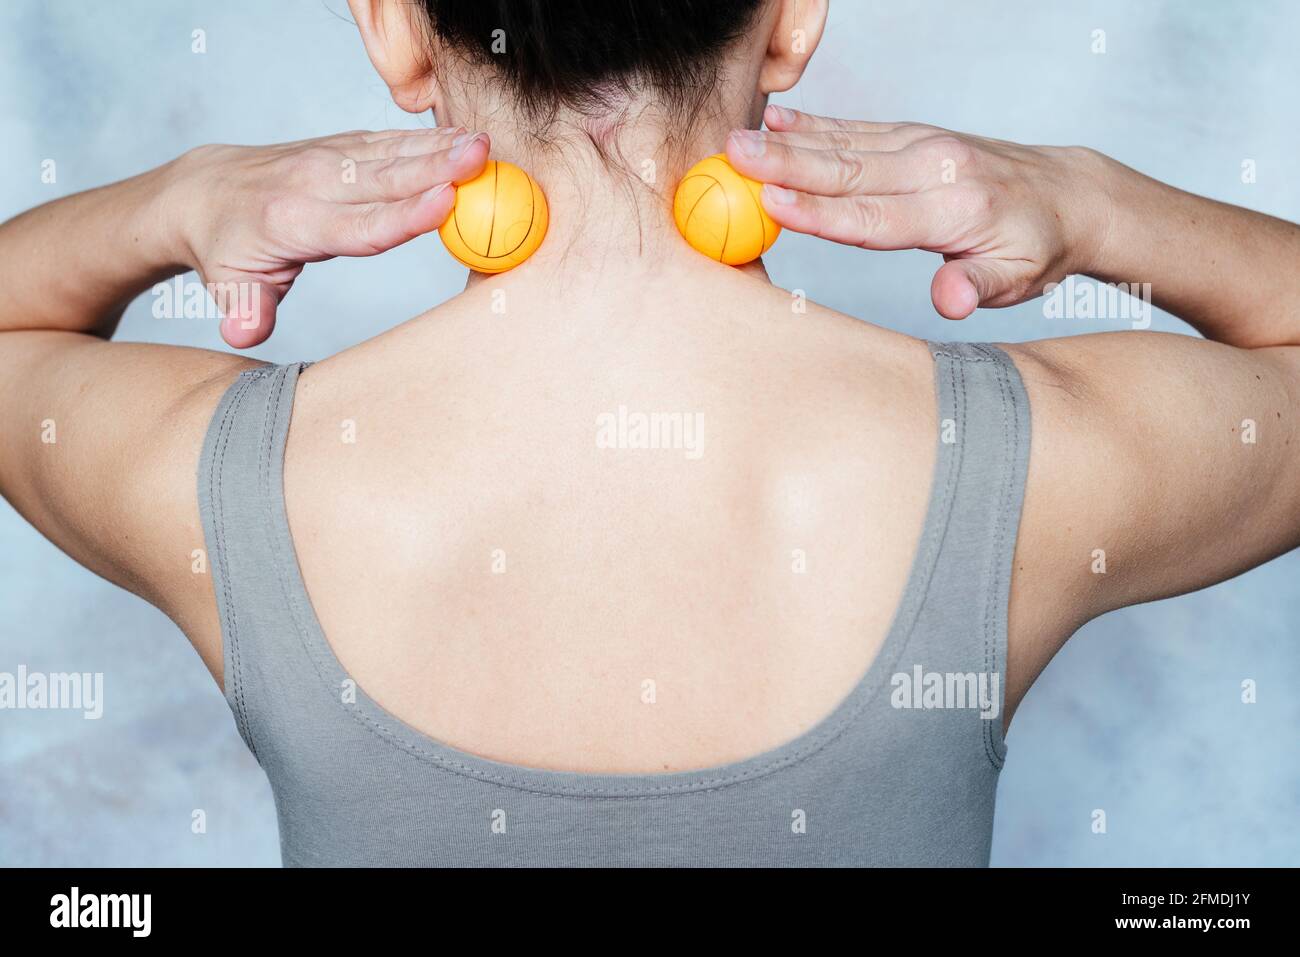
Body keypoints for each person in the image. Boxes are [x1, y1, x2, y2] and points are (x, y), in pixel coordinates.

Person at [0, 0, 1297, 866]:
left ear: (393, 31)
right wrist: (1094, 199)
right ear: (792, 21)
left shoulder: (222, 482)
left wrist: (174, 202)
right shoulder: (1025, 465)